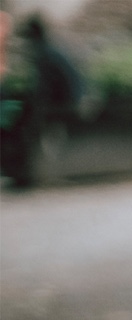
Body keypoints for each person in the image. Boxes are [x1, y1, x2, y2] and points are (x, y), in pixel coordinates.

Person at [0, 13, 85, 189]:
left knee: (24, 127)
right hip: (69, 100)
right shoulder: (50, 50)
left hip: (65, 104)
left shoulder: (44, 53)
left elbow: (44, 88)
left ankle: (23, 174)